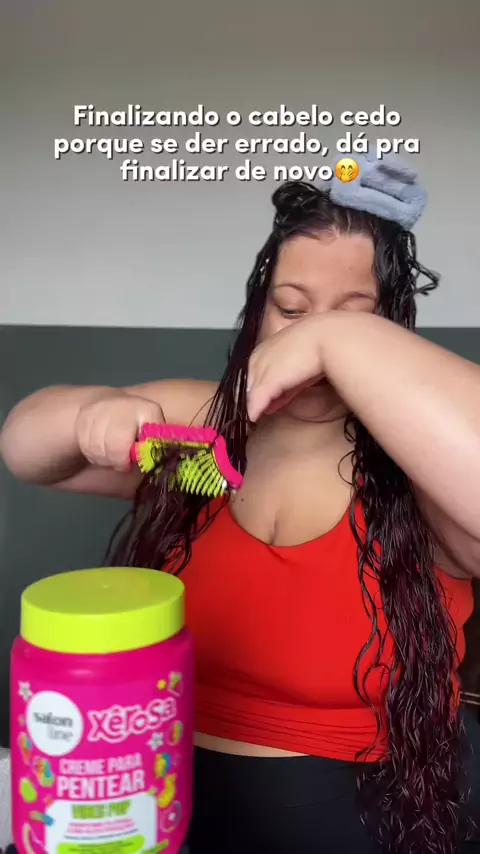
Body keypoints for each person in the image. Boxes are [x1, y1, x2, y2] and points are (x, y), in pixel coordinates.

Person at [2, 154, 480, 854]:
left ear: (392, 337)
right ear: (259, 311)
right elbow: (23, 447)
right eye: (291, 309)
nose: (311, 337)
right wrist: (91, 413)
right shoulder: (208, 425)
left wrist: (332, 338)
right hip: (146, 778)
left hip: (368, 804)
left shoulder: (426, 466)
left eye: (359, 321)